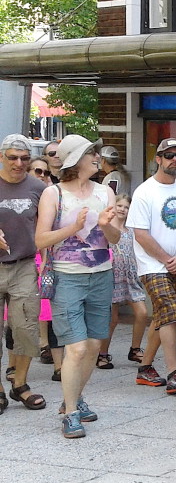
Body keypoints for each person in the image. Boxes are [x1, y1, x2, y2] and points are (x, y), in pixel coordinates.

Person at [35, 135, 120, 439]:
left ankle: (75, 399)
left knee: (95, 346)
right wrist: (73, 228)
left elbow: (115, 239)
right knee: (77, 347)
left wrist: (107, 224)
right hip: (66, 277)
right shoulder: (53, 194)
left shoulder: (104, 192)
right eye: (91, 153)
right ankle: (71, 413)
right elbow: (41, 240)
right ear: (75, 160)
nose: (98, 157)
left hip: (101, 274)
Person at [127, 138, 176, 394]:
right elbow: (140, 233)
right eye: (168, 155)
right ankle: (173, 372)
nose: (174, 160)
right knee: (169, 309)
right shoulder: (145, 192)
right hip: (152, 265)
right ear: (157, 159)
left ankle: (145, 368)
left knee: (162, 315)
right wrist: (166, 259)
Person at [0, 134, 48, 417]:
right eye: (12, 157)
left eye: (24, 158)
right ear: (2, 157)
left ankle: (20, 384)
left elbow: (49, 224)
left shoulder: (39, 188)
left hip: (25, 265)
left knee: (26, 328)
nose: (19, 163)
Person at [97, 195, 148, 371]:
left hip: (130, 276)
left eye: (126, 207)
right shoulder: (106, 229)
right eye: (119, 205)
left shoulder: (132, 230)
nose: (122, 209)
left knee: (142, 312)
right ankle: (102, 354)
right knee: (112, 318)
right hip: (112, 277)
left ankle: (135, 348)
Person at [29, 156, 63, 376]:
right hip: (19, 259)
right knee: (19, 317)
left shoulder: (50, 196)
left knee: (50, 308)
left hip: (46, 258)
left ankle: (58, 363)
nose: (42, 176)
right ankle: (16, 366)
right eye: (38, 171)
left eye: (45, 173)